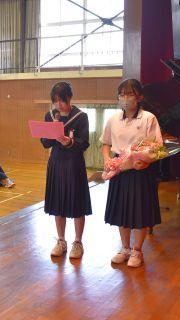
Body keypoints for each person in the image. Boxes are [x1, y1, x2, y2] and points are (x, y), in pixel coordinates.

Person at [101, 79, 163, 268]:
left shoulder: (148, 118)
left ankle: (137, 250)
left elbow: (158, 148)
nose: (125, 99)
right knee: (122, 210)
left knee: (139, 211)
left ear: (139, 97)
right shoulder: (113, 119)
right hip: (119, 169)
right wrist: (107, 159)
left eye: (129, 94)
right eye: (122, 95)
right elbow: (106, 143)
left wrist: (145, 161)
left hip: (140, 169)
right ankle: (125, 248)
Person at [42, 81, 92, 259]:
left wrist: (69, 141)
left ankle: (78, 242)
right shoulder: (50, 116)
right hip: (56, 162)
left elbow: (84, 143)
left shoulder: (80, 117)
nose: (58, 105)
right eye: (55, 101)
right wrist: (51, 133)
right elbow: (45, 143)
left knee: (77, 203)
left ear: (69, 97)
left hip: (74, 163)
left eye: (61, 100)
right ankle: (61, 241)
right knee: (58, 203)